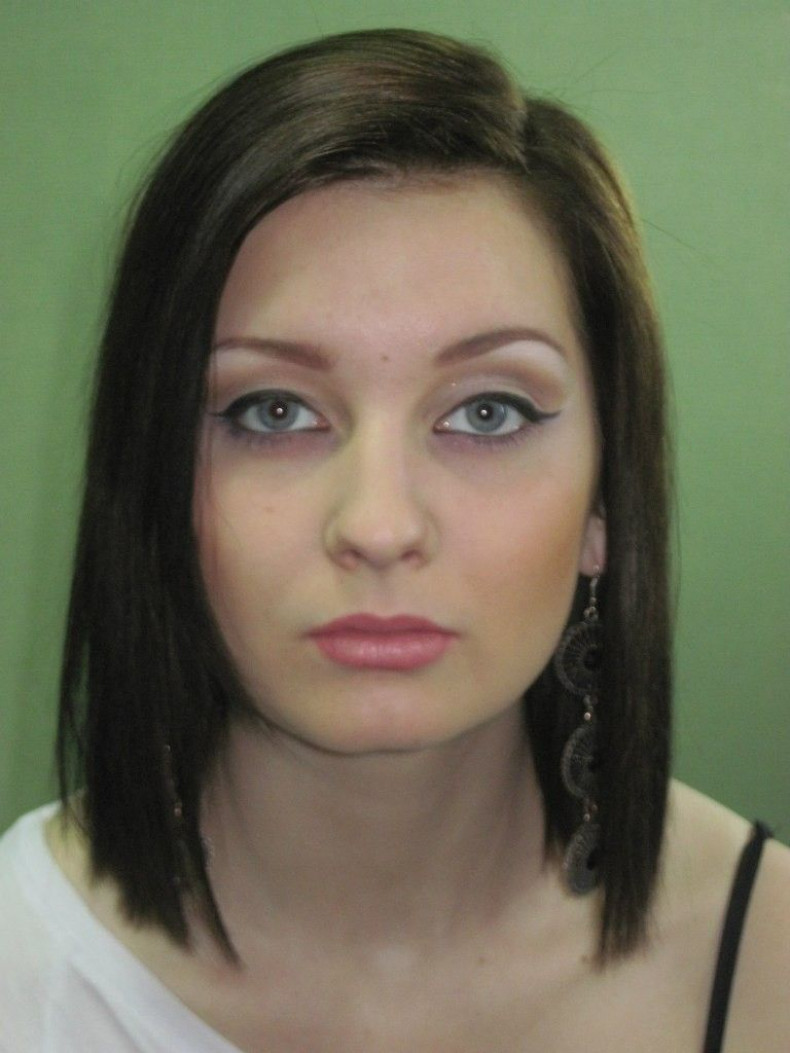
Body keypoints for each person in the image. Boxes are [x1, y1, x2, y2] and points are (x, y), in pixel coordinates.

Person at [0, 27, 787, 1052]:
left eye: (489, 412)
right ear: (157, 484)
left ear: (605, 502)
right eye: (274, 411)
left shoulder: (768, 961)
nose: (378, 526)